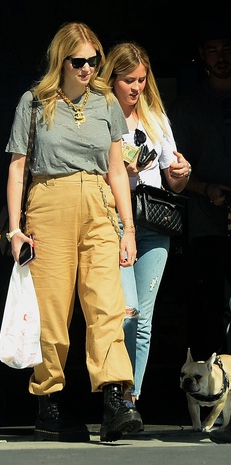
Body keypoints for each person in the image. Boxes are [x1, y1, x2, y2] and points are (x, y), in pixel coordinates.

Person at [4, 21, 142, 443]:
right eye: (78, 61)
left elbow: (117, 167)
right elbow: (17, 166)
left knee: (106, 304)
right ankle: (50, 403)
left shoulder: (105, 101)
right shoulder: (34, 101)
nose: (87, 69)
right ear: (60, 61)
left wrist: (128, 227)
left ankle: (117, 399)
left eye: (93, 61)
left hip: (99, 204)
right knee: (52, 310)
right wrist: (14, 230)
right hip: (49, 203)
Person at [101, 41, 191, 423]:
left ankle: (131, 400)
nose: (136, 88)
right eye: (128, 81)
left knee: (143, 318)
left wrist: (180, 174)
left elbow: (175, 182)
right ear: (113, 80)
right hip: (116, 222)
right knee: (125, 311)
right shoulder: (101, 116)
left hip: (154, 223)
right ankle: (116, 395)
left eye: (142, 79)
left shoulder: (155, 117)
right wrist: (123, 172)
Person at [170, 15, 231, 367]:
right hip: (207, 223)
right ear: (201, 56)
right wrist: (206, 189)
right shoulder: (188, 107)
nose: (221, 56)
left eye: (226, 49)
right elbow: (172, 172)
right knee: (209, 308)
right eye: (213, 51)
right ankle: (211, 390)